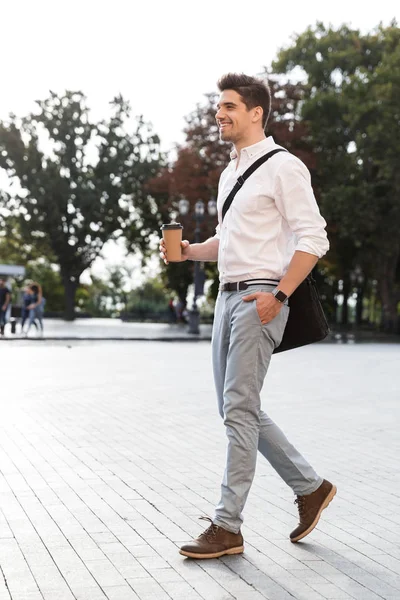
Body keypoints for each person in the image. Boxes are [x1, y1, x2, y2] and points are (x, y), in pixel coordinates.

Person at [159, 73, 336, 559]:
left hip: (260, 298)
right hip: (226, 297)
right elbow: (229, 242)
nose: (220, 114)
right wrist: (190, 251)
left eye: (229, 106)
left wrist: (278, 295)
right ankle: (310, 487)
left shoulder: (284, 167)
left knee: (238, 410)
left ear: (256, 112)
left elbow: (313, 237)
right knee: (238, 410)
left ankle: (228, 525)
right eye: (219, 107)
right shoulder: (229, 172)